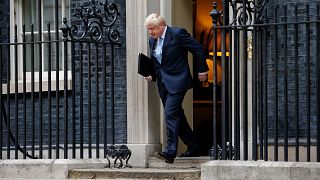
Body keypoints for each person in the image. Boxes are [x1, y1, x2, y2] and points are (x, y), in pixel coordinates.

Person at [143, 13, 208, 164]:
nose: (150, 32)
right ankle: (194, 146)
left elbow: (197, 48)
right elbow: (157, 62)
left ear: (161, 26)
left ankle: (170, 151)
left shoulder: (177, 33)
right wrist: (151, 74)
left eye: (152, 29)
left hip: (178, 80)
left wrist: (202, 70)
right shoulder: (152, 41)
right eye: (148, 29)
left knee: (170, 113)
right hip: (163, 83)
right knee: (178, 115)